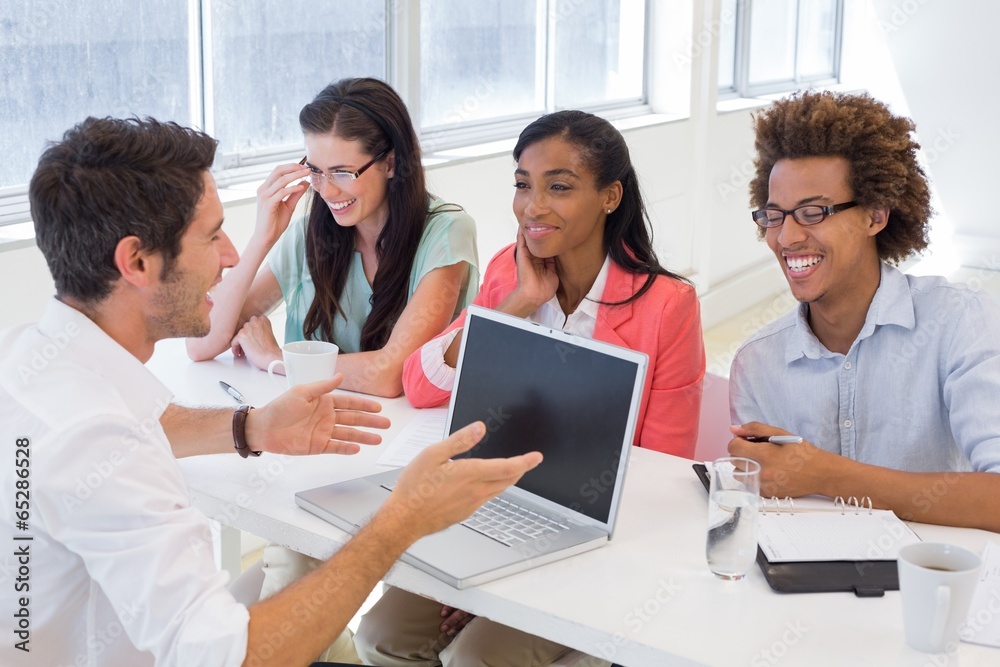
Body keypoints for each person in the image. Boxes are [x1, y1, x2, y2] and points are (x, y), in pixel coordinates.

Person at [0, 116, 541, 667]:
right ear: (137, 262)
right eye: (211, 236)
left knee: (273, 581)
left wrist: (250, 426)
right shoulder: (100, 446)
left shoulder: (28, 361)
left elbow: (129, 426)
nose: (231, 255)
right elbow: (238, 656)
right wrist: (399, 522)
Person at [355, 110, 705, 666]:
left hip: (592, 539)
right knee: (381, 635)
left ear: (611, 196)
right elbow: (421, 385)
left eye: (558, 187)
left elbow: (662, 472)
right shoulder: (508, 272)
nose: (532, 206)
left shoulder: (667, 306)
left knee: (474, 659)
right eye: (523, 185)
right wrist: (516, 303)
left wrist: (504, 583)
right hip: (490, 511)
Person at [728, 90, 1000, 532]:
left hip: (927, 585)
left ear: (875, 215)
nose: (787, 238)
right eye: (775, 216)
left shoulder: (960, 323)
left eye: (813, 212)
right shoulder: (757, 364)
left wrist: (825, 475)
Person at [186, 77, 479, 399]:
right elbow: (200, 343)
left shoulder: (447, 232)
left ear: (391, 163)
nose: (326, 190)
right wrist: (262, 238)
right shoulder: (309, 236)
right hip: (312, 423)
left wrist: (278, 359)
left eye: (342, 172)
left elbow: (393, 374)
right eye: (315, 171)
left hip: (398, 432)